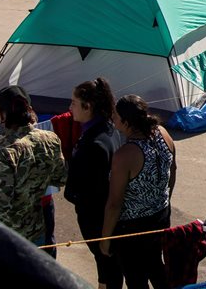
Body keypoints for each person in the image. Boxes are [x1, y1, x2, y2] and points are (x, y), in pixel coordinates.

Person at [0, 85, 66, 248]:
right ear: (30, 109)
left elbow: (1, 205)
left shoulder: (5, 152)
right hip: (37, 230)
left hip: (10, 236)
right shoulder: (51, 138)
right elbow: (60, 178)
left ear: (3, 115)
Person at [101, 95, 176, 289]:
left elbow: (114, 203)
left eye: (116, 116)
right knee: (156, 266)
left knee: (136, 278)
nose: (112, 119)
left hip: (133, 228)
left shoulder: (125, 155)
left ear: (126, 122)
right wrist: (163, 199)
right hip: (161, 216)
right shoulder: (162, 133)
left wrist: (105, 239)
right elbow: (172, 171)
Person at [65, 78, 124, 289]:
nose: (69, 107)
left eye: (73, 102)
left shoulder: (94, 144)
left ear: (87, 106)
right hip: (107, 216)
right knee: (108, 264)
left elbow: (92, 191)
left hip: (97, 218)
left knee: (107, 264)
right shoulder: (109, 128)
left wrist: (72, 194)